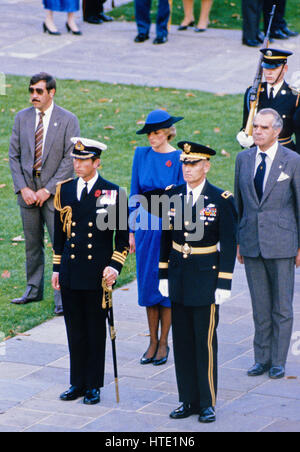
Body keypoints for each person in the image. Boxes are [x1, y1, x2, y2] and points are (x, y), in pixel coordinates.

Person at [159, 141, 237, 423]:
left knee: (204, 342)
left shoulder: (221, 199)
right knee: (181, 341)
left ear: (206, 166)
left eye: (193, 164)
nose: (187, 169)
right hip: (179, 274)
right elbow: (166, 239)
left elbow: (228, 243)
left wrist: (224, 282)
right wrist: (163, 274)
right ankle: (187, 399)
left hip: (206, 276)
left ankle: (206, 402)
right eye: (184, 163)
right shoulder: (172, 195)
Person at [52, 137, 129, 405]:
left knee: (95, 330)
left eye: (84, 160)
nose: (78, 164)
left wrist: (114, 266)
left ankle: (93, 384)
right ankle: (77, 382)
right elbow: (59, 234)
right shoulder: (64, 190)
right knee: (74, 329)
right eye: (75, 159)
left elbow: (121, 239)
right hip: (72, 271)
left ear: (97, 162)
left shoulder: (112, 193)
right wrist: (56, 267)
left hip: (97, 273)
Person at [235, 108, 300, 380]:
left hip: (282, 242)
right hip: (251, 241)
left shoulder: (293, 160)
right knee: (260, 305)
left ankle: (278, 360)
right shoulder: (243, 159)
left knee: (282, 306)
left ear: (277, 131)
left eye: (263, 127)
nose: (257, 131)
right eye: (255, 127)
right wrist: (239, 240)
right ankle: (261, 358)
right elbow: (239, 202)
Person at [9, 72, 80, 315]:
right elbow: (14, 156)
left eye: (39, 91)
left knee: (60, 244)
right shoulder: (21, 118)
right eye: (31, 91)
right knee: (32, 243)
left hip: (55, 195)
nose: (33, 96)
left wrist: (47, 190)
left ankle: (62, 296)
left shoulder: (69, 120)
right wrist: (24, 188)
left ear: (52, 92)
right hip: (28, 193)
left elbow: (70, 159)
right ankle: (33, 288)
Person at [129, 109, 184, 367]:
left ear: (168, 133)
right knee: (148, 281)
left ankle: (164, 342)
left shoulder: (179, 159)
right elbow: (134, 193)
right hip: (144, 224)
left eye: (157, 133)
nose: (152, 137)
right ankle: (151, 340)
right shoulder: (141, 155)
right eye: (149, 133)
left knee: (166, 283)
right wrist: (130, 229)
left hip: (169, 225)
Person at [239, 48, 300, 153]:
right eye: (266, 69)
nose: (268, 73)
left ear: (284, 69)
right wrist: (243, 137)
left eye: (274, 69)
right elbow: (246, 124)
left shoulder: (294, 96)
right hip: (257, 151)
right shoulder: (253, 93)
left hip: (284, 153)